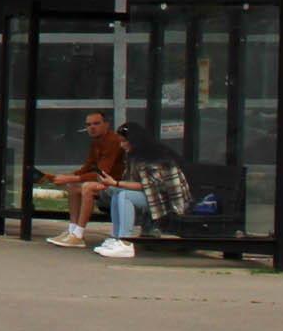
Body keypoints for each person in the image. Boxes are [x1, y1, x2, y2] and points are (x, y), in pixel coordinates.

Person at [96, 125, 191, 259]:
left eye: (124, 141)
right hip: (155, 196)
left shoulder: (151, 157)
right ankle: (116, 237)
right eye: (120, 142)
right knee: (117, 193)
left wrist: (117, 183)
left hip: (171, 201)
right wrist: (113, 185)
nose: (122, 145)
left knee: (124, 195)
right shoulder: (134, 155)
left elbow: (147, 186)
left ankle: (126, 243)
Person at [42, 110, 128, 247]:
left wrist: (69, 178)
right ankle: (72, 229)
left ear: (106, 125)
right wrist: (65, 177)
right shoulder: (96, 143)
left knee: (87, 187)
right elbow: (87, 167)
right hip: (106, 183)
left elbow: (101, 173)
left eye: (96, 124)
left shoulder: (112, 141)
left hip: (116, 185)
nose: (92, 128)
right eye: (88, 125)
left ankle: (79, 234)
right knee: (73, 186)